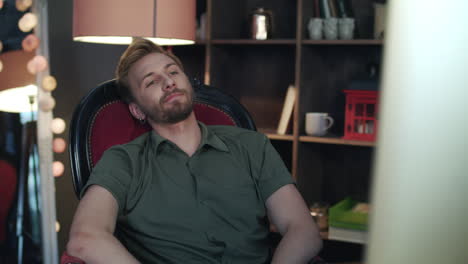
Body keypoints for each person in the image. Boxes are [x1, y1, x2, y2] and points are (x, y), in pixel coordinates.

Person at [66, 38, 322, 264]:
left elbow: (303, 230)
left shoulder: (252, 145)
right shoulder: (123, 161)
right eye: (151, 81)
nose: (168, 82)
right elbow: (85, 238)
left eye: (173, 72)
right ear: (137, 110)